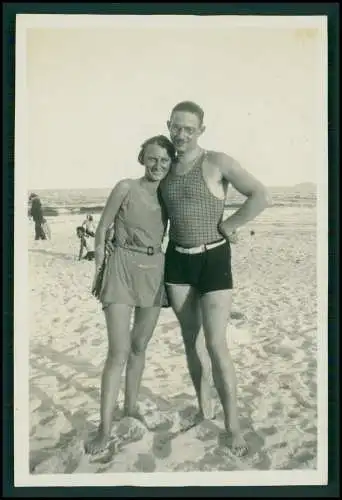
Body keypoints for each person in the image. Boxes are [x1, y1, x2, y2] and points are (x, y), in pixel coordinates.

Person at [159, 101, 271, 456]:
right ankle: (204, 407)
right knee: (190, 339)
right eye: (176, 126)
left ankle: (233, 425)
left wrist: (231, 224)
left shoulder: (216, 161)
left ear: (201, 131)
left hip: (213, 259)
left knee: (216, 344)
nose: (181, 133)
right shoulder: (163, 165)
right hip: (177, 261)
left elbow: (261, 195)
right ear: (168, 125)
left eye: (189, 128)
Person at [84, 135, 175, 455]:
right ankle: (104, 428)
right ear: (142, 158)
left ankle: (131, 407)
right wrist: (99, 265)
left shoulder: (169, 194)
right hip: (121, 267)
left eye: (165, 161)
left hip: (155, 270)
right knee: (118, 351)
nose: (158, 166)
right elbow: (102, 228)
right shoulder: (125, 187)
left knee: (139, 346)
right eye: (152, 159)